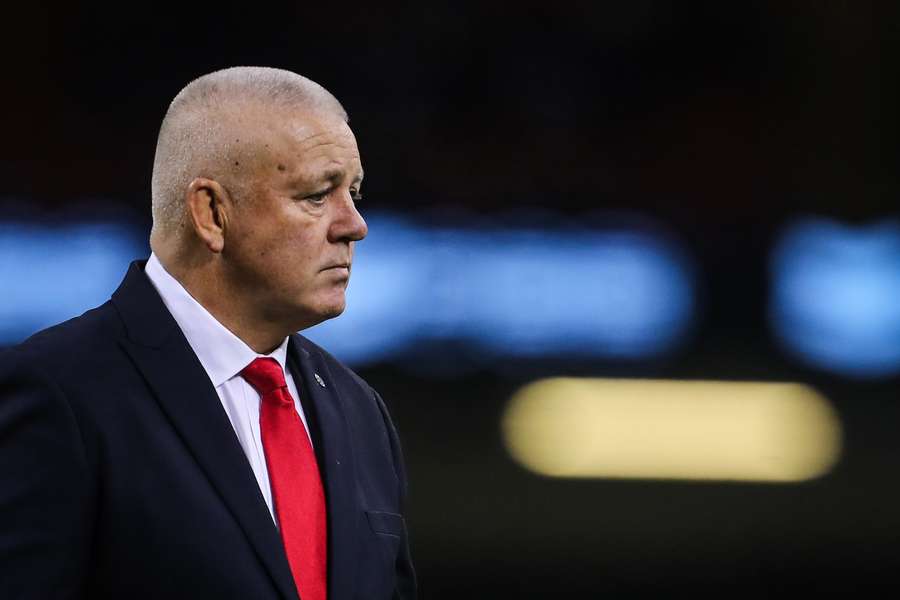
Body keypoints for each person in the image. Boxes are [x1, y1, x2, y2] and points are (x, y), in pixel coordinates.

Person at [0, 67, 416, 600]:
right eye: (317, 195)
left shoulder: (362, 413)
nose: (354, 224)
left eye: (353, 192)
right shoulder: (60, 392)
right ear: (212, 213)